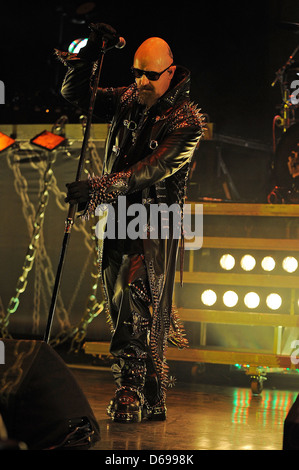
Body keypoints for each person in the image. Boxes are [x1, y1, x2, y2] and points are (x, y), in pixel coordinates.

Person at [57, 23, 205, 423]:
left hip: (155, 220)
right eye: (136, 72)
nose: (140, 81)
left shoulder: (186, 121)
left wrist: (101, 187)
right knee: (120, 299)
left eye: (150, 75)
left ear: (171, 72)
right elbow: (76, 97)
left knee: (137, 299)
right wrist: (83, 60)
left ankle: (131, 387)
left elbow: (149, 170)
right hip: (119, 216)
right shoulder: (128, 97)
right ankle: (150, 394)